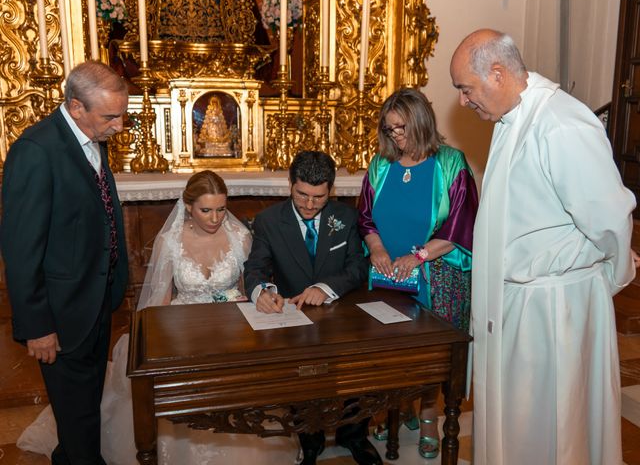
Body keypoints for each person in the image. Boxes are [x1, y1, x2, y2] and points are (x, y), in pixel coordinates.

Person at [16, 170, 300, 464]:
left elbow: (247, 288)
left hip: (229, 326)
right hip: (182, 326)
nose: (215, 218)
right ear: (188, 206)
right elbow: (161, 299)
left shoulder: (240, 237)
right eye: (206, 210)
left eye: (221, 209)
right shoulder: (171, 242)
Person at [450, 29, 636, 465]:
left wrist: (612, 272)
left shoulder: (560, 123)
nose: (462, 101)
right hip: (517, 306)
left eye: (465, 89)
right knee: (516, 429)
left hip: (553, 313)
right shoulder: (513, 118)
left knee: (555, 430)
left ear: (496, 74)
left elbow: (608, 217)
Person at [0, 61, 129, 465]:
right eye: (111, 116)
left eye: (123, 114)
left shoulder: (90, 138)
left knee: (84, 406)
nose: (120, 126)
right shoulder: (36, 151)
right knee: (77, 413)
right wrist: (37, 327)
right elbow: (21, 250)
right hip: (60, 313)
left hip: (93, 303)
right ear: (76, 107)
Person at [357, 87, 478, 459]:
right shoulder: (380, 165)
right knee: (387, 351)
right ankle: (397, 408)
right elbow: (365, 216)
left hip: (436, 277)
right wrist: (377, 248)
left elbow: (462, 226)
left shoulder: (451, 164)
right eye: (389, 129)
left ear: (421, 123)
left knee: (428, 359)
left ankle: (428, 422)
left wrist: (419, 256)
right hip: (387, 277)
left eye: (402, 128)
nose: (395, 136)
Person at [243, 150, 380, 465]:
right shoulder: (268, 221)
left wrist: (325, 288)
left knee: (357, 373)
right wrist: (262, 291)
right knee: (303, 380)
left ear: (330, 190)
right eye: (302, 194)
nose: (308, 204)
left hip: (341, 311)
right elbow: (255, 268)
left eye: (318, 198)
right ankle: (310, 440)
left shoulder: (346, 217)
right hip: (293, 317)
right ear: (290, 183)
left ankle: (354, 435)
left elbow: (359, 267)